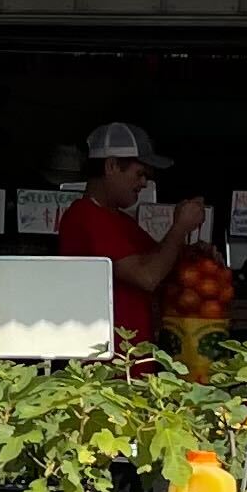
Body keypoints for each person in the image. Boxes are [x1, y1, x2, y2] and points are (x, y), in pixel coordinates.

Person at [50, 119, 210, 342]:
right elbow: (148, 276)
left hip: (134, 354)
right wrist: (180, 227)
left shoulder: (121, 221)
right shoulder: (85, 216)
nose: (144, 183)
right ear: (111, 166)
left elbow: (161, 263)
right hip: (107, 359)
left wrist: (196, 254)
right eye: (139, 173)